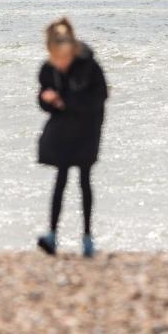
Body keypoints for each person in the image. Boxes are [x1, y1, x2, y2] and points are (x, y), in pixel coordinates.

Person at [36, 17, 108, 258]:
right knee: (61, 179)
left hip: (88, 129)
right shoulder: (49, 68)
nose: (61, 63)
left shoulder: (89, 65)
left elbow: (100, 96)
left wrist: (66, 101)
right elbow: (44, 97)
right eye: (57, 58)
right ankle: (52, 235)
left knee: (85, 181)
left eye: (64, 57)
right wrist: (47, 100)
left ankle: (87, 237)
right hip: (65, 129)